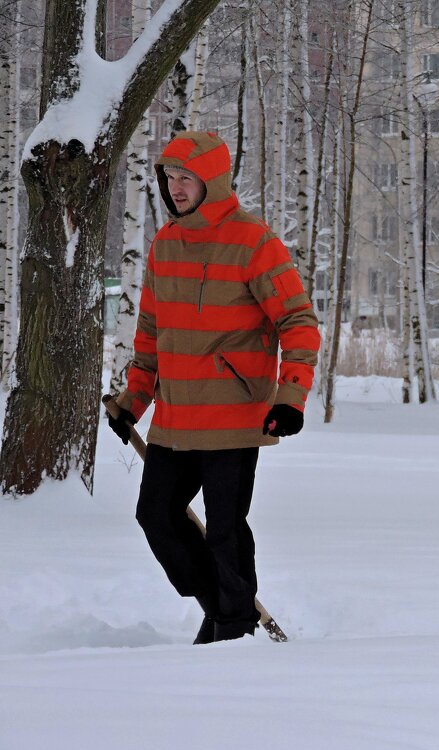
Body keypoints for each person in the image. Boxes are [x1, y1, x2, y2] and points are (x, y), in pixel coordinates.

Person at [107, 131, 320, 643]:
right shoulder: (165, 244)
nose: (176, 188)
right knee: (156, 517)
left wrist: (290, 398)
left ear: (214, 181)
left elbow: (298, 321)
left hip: (233, 416)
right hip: (175, 419)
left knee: (225, 529)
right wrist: (133, 401)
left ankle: (233, 625)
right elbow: (150, 336)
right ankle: (222, 607)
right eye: (170, 178)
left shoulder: (254, 242)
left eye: (187, 178)